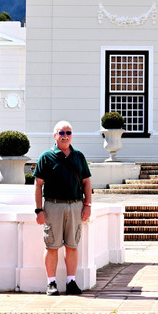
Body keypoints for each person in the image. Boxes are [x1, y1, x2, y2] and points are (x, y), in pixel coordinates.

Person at [33, 120, 93, 296]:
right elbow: (38, 185)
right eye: (61, 133)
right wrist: (39, 210)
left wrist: (87, 205)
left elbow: (87, 182)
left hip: (75, 206)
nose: (65, 136)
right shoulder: (46, 157)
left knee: (72, 245)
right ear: (55, 136)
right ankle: (51, 283)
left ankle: (71, 282)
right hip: (53, 206)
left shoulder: (79, 157)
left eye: (68, 133)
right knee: (52, 246)